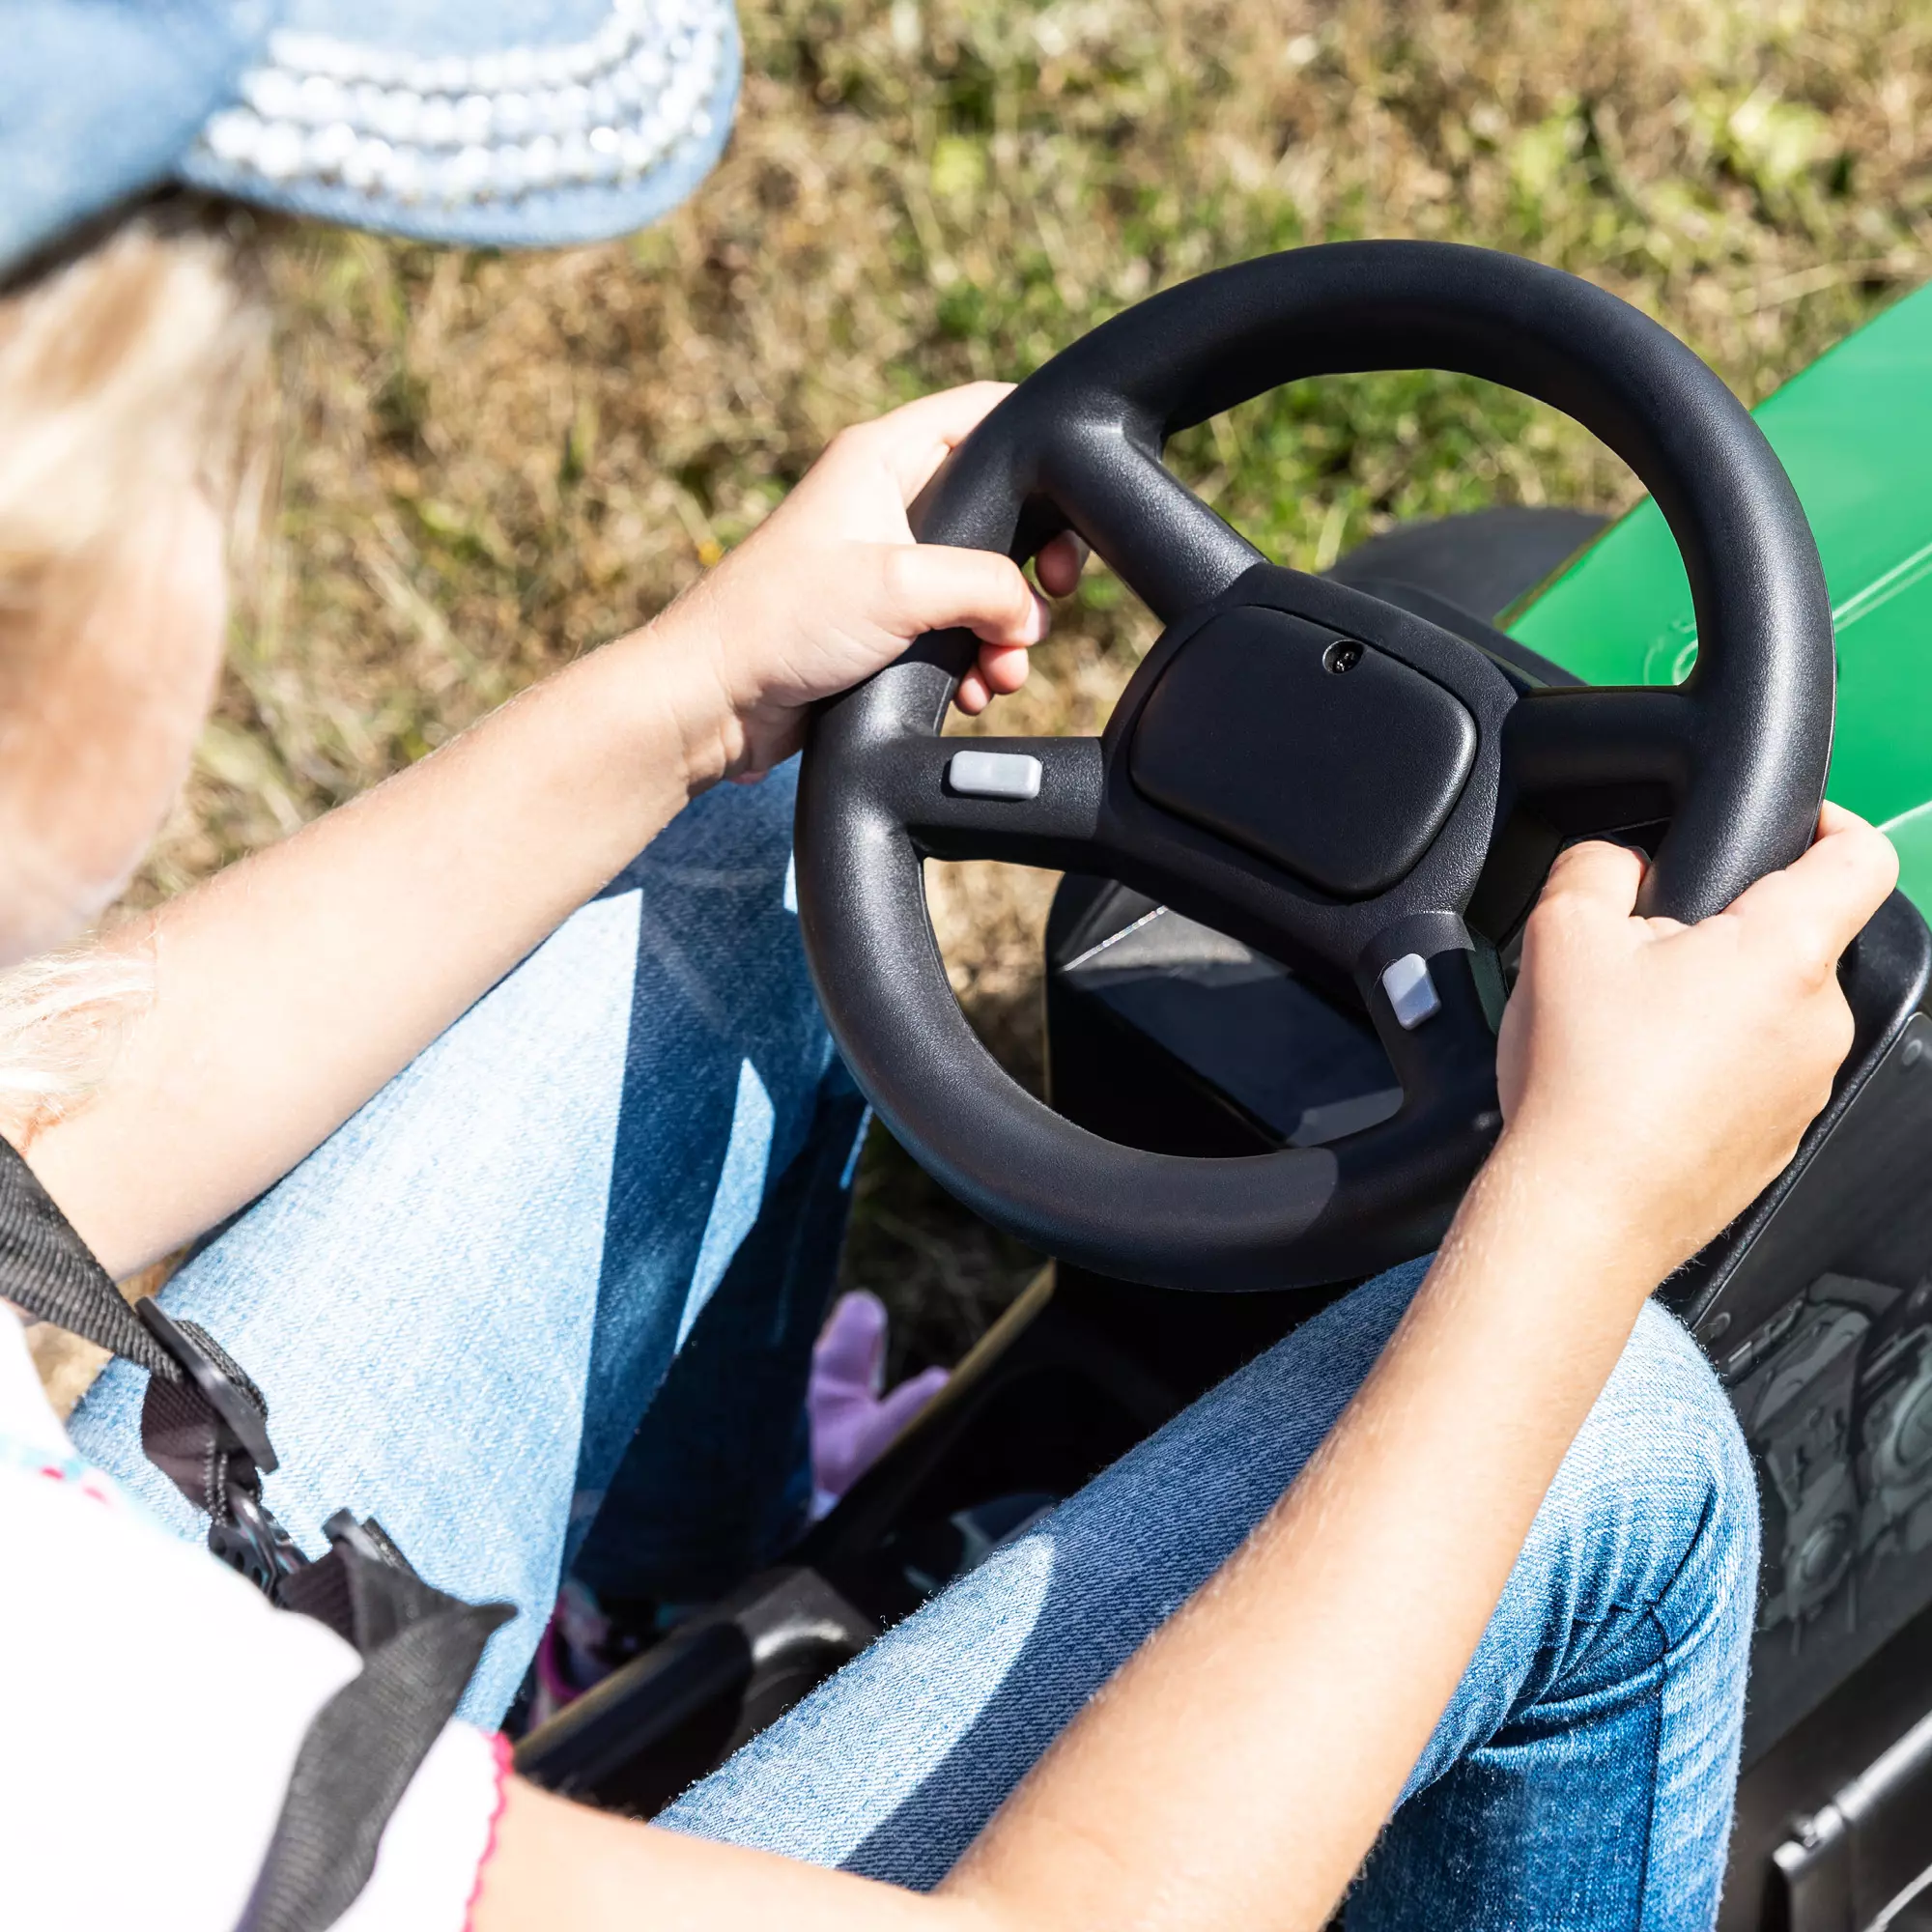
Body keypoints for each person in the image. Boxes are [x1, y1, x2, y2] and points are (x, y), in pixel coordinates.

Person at [0, 6, 1899, 1930]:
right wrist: (1571, 1222)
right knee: (1610, 1439)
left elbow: (51, 1103)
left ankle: (623, 1642)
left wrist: (694, 688)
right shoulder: (99, 1736)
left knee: (738, 862)